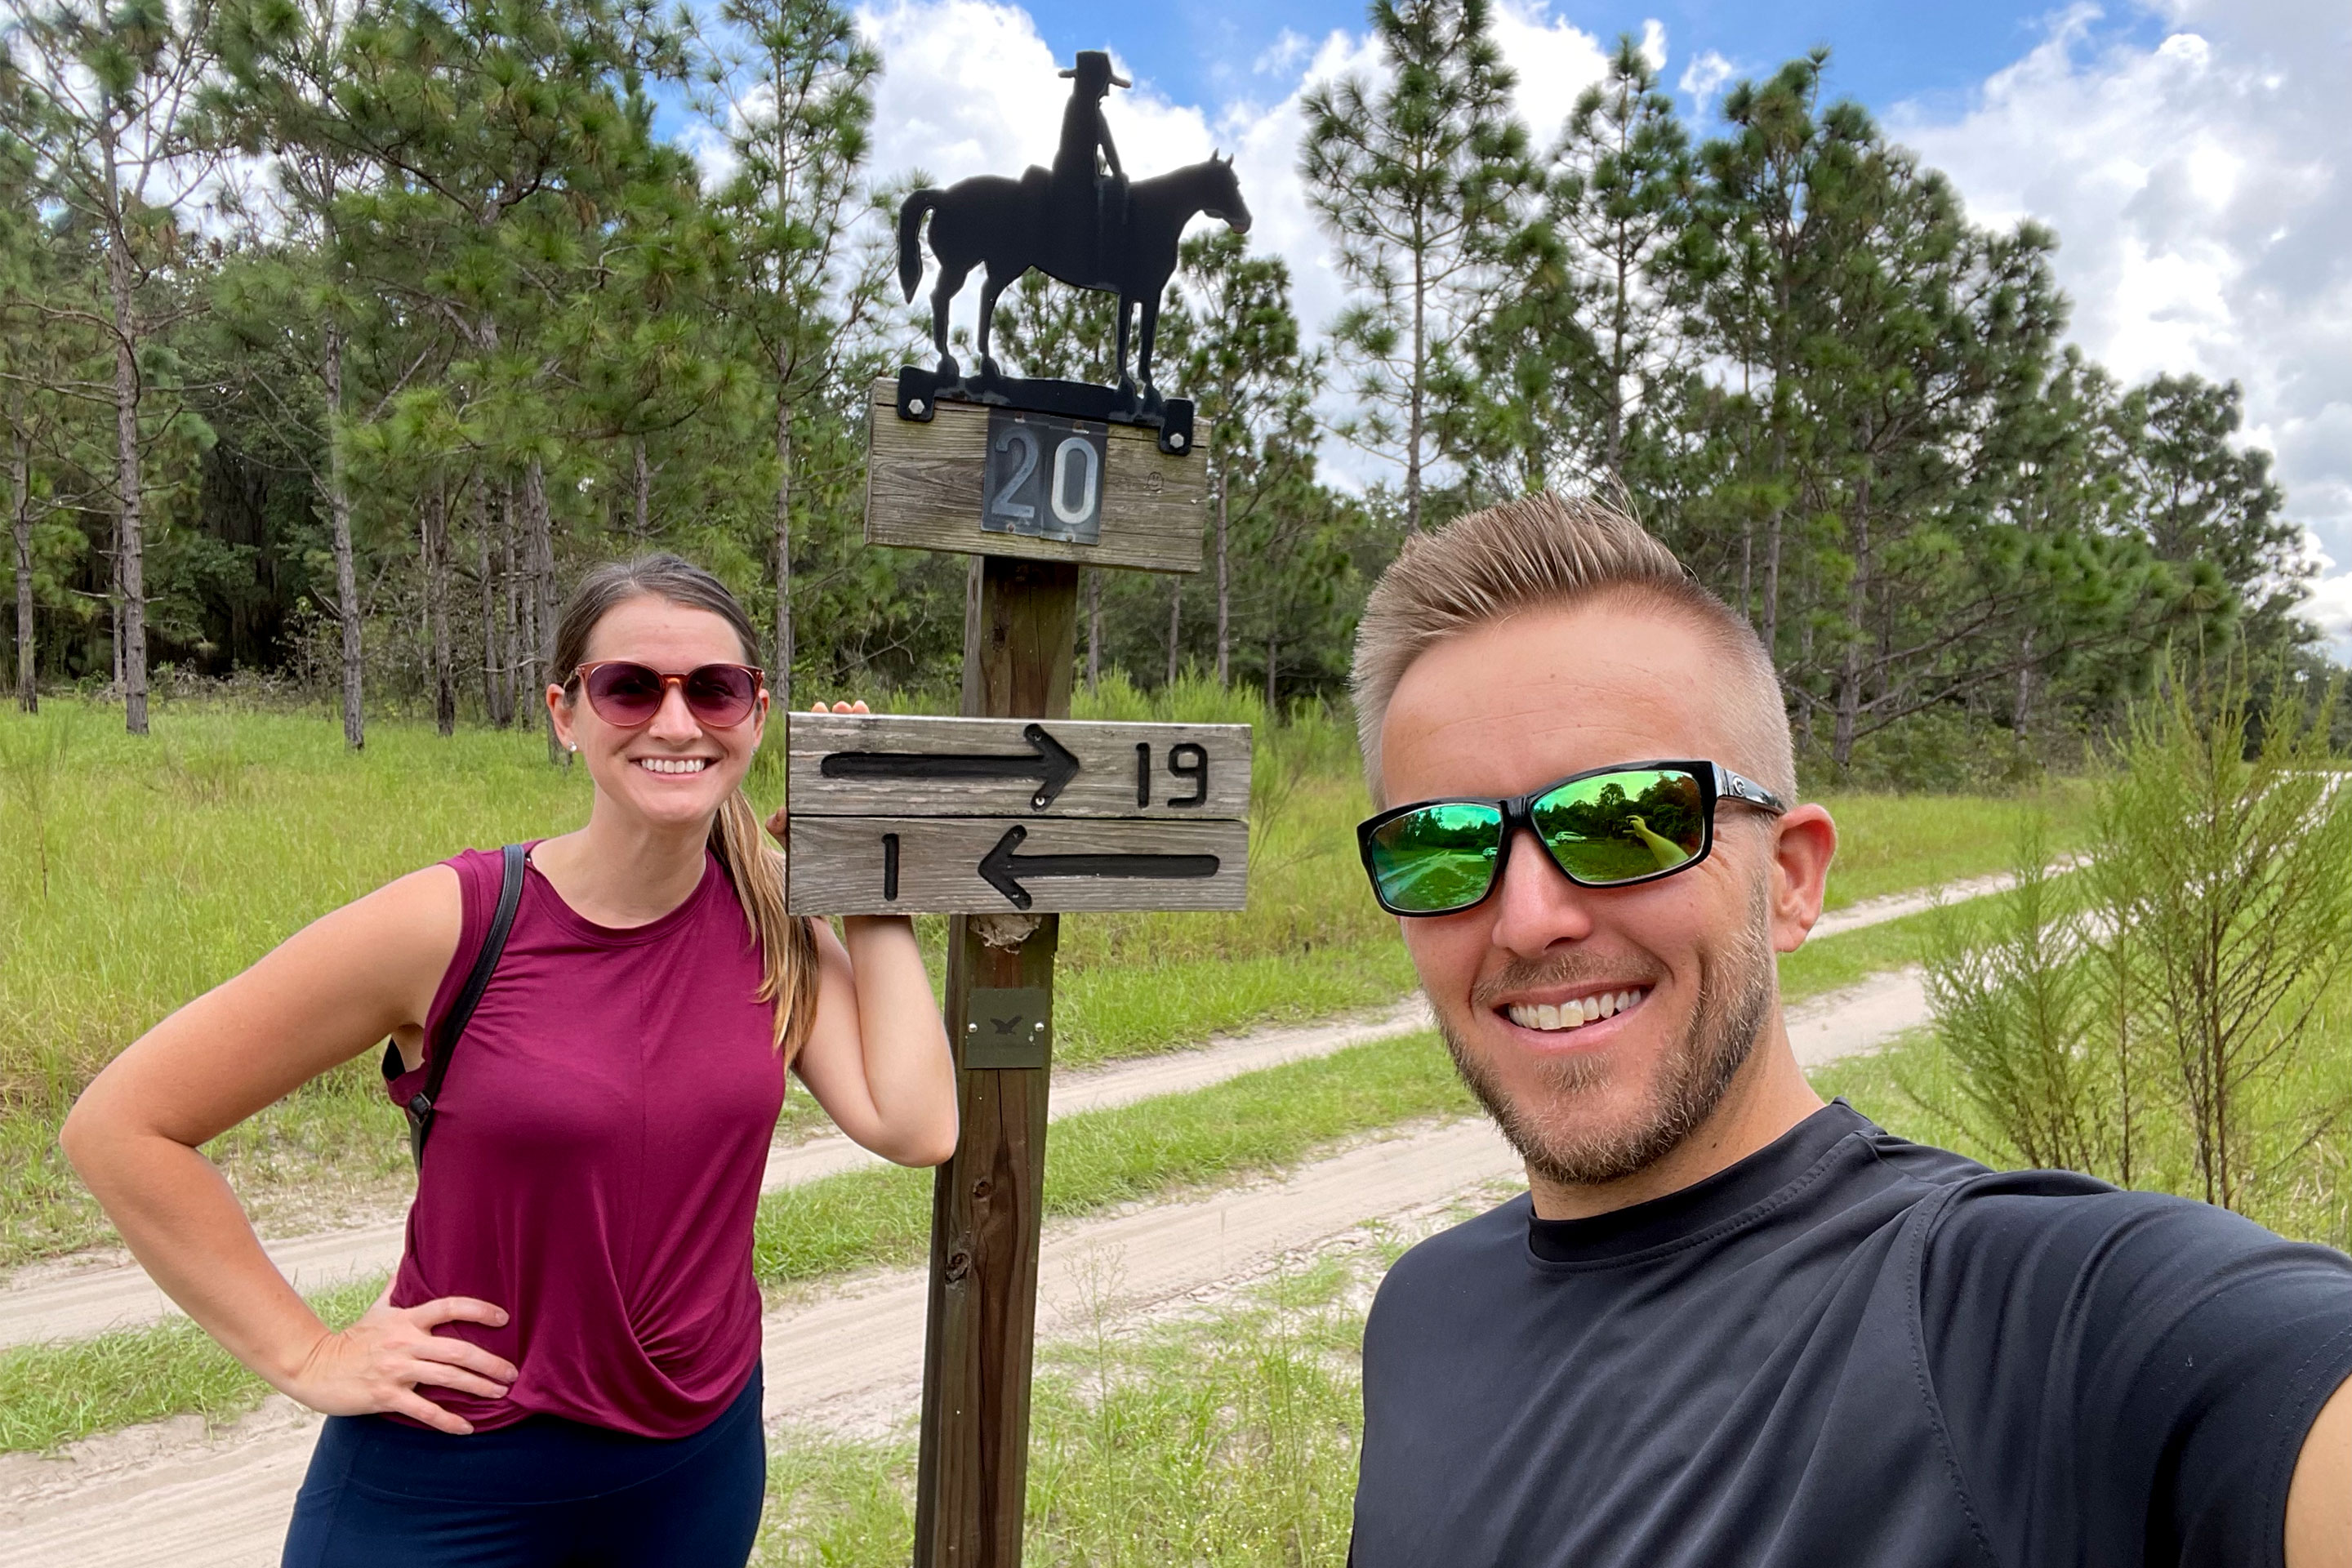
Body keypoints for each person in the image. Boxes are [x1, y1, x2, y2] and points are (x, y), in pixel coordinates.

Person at [1343, 493, 2352, 1567]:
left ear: (1788, 878)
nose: (1530, 920)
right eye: (1440, 845)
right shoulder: (1422, 1313)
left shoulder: (2011, 1321)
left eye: (1625, 819)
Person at [60, 555, 957, 1567]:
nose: (675, 724)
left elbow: (914, 1125)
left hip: (692, 1469)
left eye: (714, 688)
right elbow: (123, 1126)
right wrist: (306, 1354)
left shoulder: (767, 917)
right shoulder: (455, 922)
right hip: (452, 1481)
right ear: (565, 713)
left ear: (754, 714)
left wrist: (872, 878)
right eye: (629, 688)